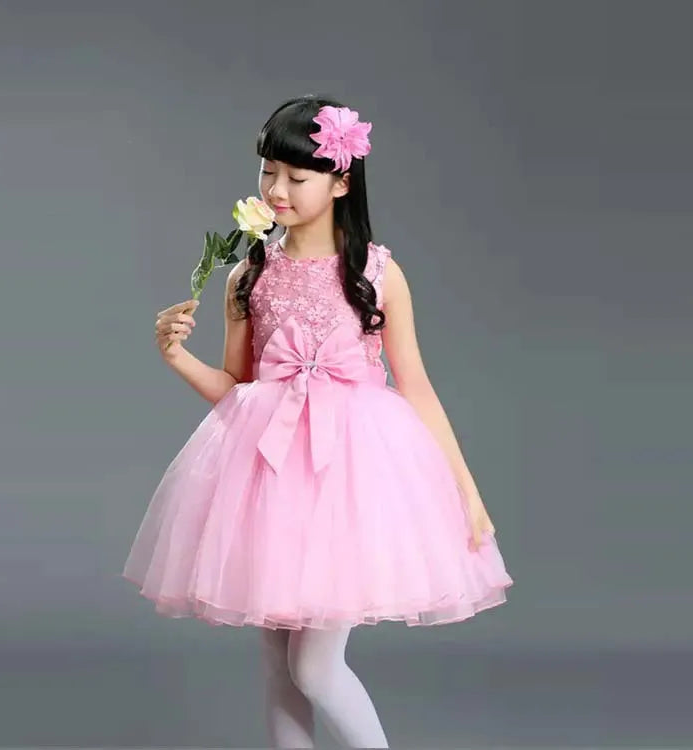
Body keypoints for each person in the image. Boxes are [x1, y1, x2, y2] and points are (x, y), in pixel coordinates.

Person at [122, 94, 514, 748]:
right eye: (267, 172)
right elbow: (238, 390)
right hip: (268, 480)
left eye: (296, 177)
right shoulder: (249, 273)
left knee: (314, 667)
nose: (276, 190)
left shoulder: (376, 273)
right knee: (279, 668)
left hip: (349, 480)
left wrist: (466, 492)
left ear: (340, 182)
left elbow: (416, 386)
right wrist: (176, 357)